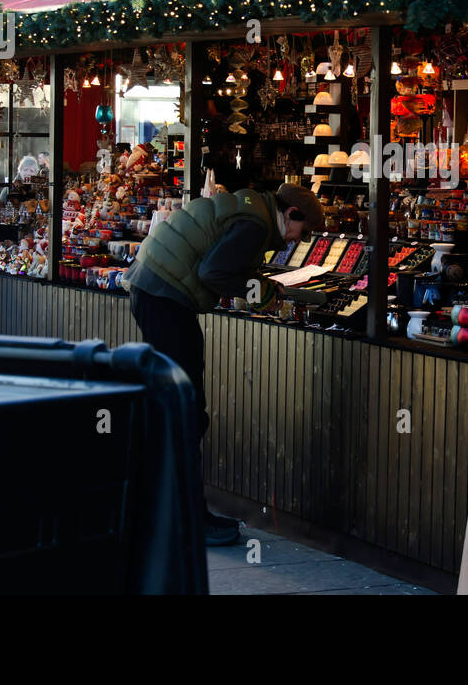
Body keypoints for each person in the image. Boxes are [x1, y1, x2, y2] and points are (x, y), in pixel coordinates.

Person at [122, 182, 324, 545]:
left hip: (153, 288)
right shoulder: (256, 224)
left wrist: (256, 285)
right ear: (291, 214)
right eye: (302, 231)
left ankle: (166, 509)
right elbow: (213, 273)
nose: (297, 240)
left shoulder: (250, 208)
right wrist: (261, 292)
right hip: (165, 296)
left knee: (177, 406)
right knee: (186, 409)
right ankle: (188, 520)